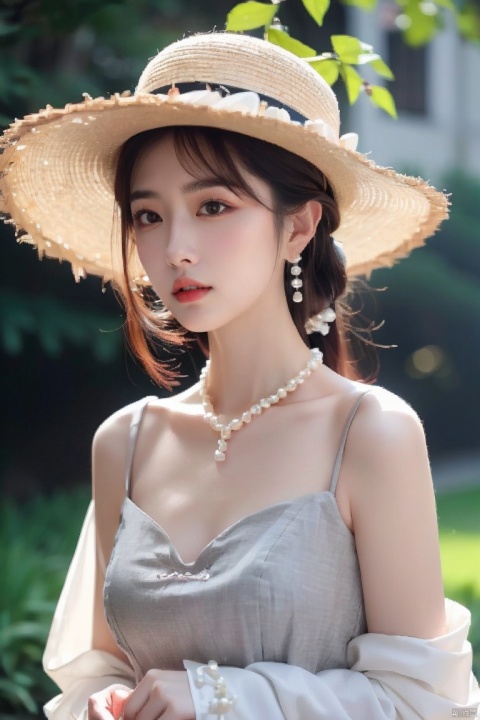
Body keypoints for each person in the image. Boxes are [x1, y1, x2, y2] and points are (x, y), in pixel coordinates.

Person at [1, 31, 479, 720]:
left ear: (298, 228)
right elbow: (100, 669)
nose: (176, 248)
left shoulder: (370, 434)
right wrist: (107, 700)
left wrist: (219, 695)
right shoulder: (126, 442)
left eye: (214, 206)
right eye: (148, 215)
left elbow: (420, 702)